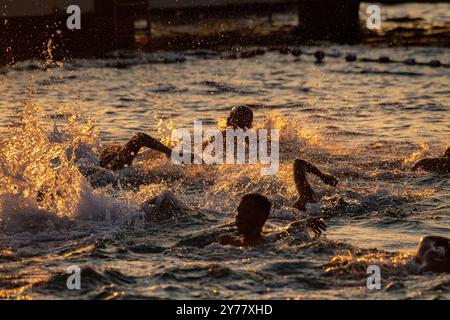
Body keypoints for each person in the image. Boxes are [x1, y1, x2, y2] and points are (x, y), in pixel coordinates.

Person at [219, 193, 327, 247]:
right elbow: (292, 227)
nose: (238, 216)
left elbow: (291, 229)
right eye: (239, 211)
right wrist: (307, 221)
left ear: (261, 217)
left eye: (246, 212)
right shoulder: (226, 240)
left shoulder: (269, 242)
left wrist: (308, 221)